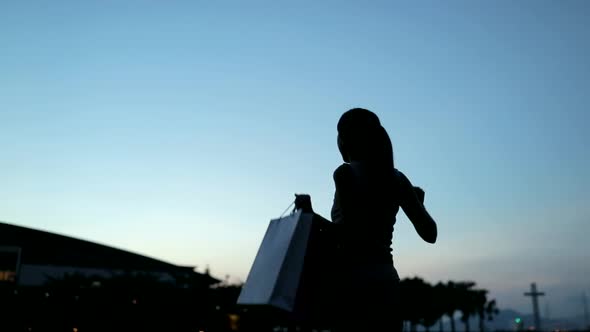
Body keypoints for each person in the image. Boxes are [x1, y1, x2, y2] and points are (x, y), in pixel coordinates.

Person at [294, 108, 438, 332]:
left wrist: (309, 214)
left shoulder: (344, 174)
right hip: (386, 280)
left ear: (345, 140)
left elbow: (350, 236)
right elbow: (430, 234)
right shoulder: (398, 179)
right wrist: (418, 203)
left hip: (352, 283)